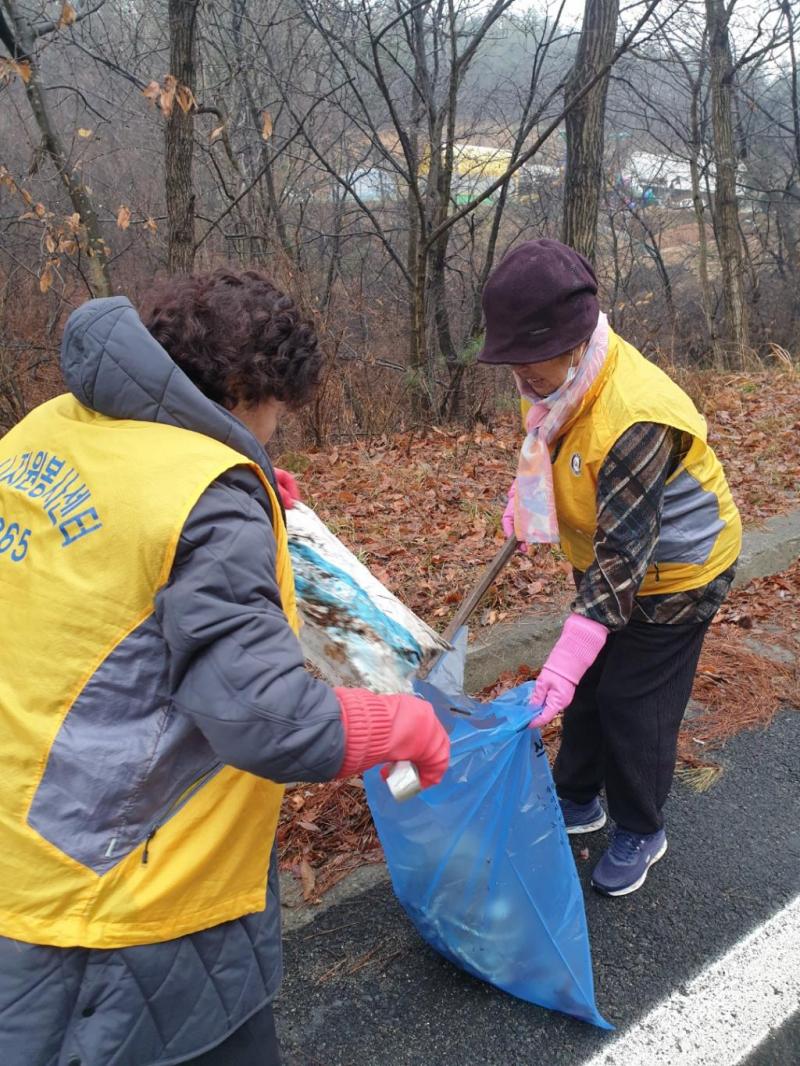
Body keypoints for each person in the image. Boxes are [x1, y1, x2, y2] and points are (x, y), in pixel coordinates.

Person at [0, 269, 450, 1065]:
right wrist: (403, 723)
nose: (273, 433)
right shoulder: (205, 498)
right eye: (275, 415)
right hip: (129, 897)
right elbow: (269, 718)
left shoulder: (46, 430)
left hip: (26, 843)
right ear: (243, 389)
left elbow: (105, 558)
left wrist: (251, 500)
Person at [478, 239, 741, 897]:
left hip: (679, 571)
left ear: (574, 339)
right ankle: (576, 797)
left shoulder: (635, 413)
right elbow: (545, 441)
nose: (520, 378)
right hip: (608, 559)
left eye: (529, 361)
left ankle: (641, 827)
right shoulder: (552, 378)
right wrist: (526, 500)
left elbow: (625, 564)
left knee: (633, 699)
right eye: (511, 362)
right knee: (591, 684)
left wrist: (561, 662)